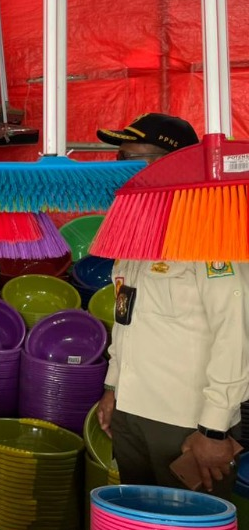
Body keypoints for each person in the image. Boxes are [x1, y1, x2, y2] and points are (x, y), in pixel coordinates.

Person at [95, 112, 247, 495]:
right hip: (130, 414)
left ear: (172, 164)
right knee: (138, 526)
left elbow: (236, 335)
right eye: (119, 160)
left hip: (185, 423)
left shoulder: (213, 236)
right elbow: (125, 318)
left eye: (133, 160)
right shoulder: (134, 235)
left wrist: (213, 428)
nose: (121, 172)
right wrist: (113, 388)